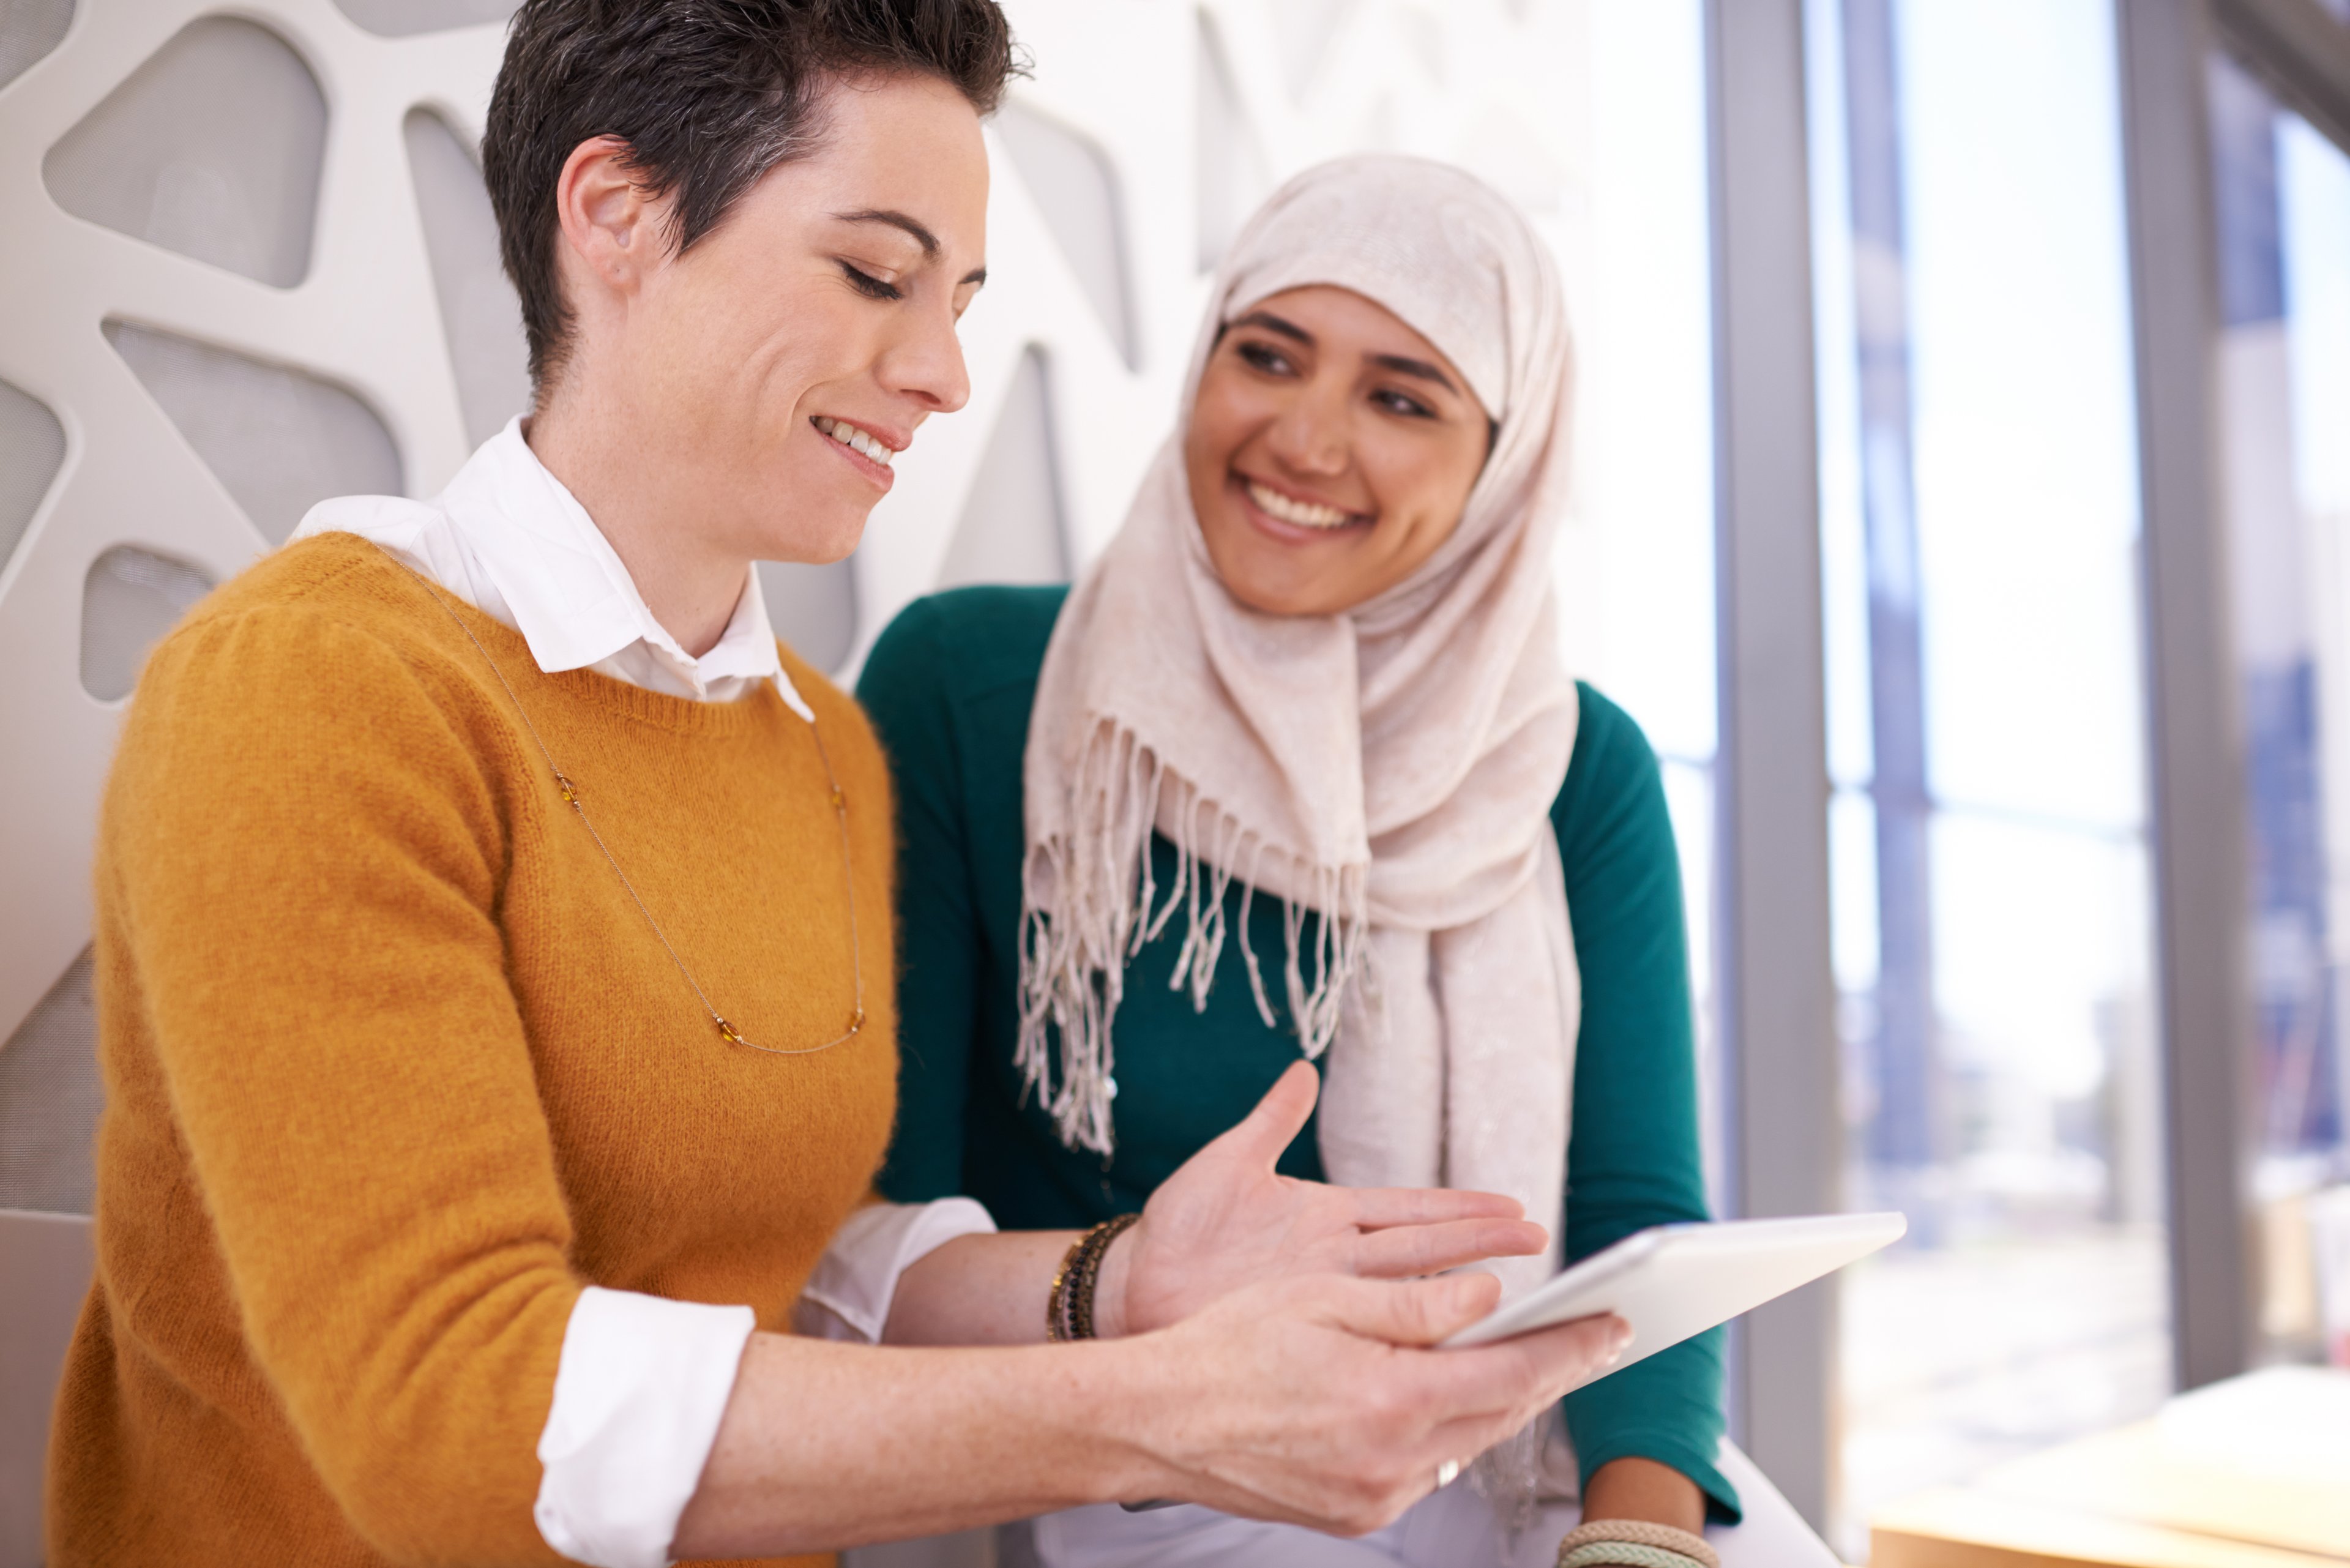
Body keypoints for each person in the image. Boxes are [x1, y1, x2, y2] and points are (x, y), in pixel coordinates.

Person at [45, 9, 1633, 1567]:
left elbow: (797, 1270)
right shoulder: (315, 692)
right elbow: (456, 1418)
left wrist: (1114, 1283)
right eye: (876, 275)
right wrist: (1148, 1405)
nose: (940, 371)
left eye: (959, 298)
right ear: (616, 215)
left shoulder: (816, 747)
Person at [859, 154, 1737, 1568]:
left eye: (1402, 398)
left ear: (1503, 464)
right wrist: (1134, 1304)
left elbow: (1634, 1227)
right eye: (1267, 357)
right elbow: (877, 1231)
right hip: (1154, 1458)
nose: (1308, 443)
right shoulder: (976, 689)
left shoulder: (1574, 764)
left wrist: (1637, 1542)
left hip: (1525, 1439)